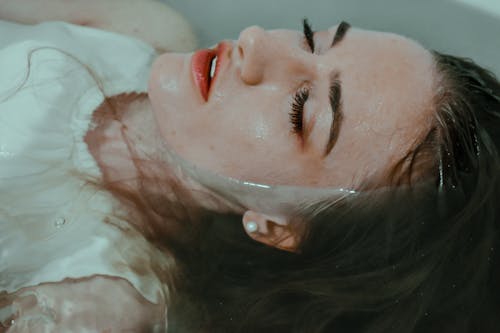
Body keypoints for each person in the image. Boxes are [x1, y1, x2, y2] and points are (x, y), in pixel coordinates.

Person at [0, 1, 499, 332]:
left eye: (301, 108)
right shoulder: (142, 31)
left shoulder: (100, 298)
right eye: (311, 39)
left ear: (279, 225)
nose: (257, 43)